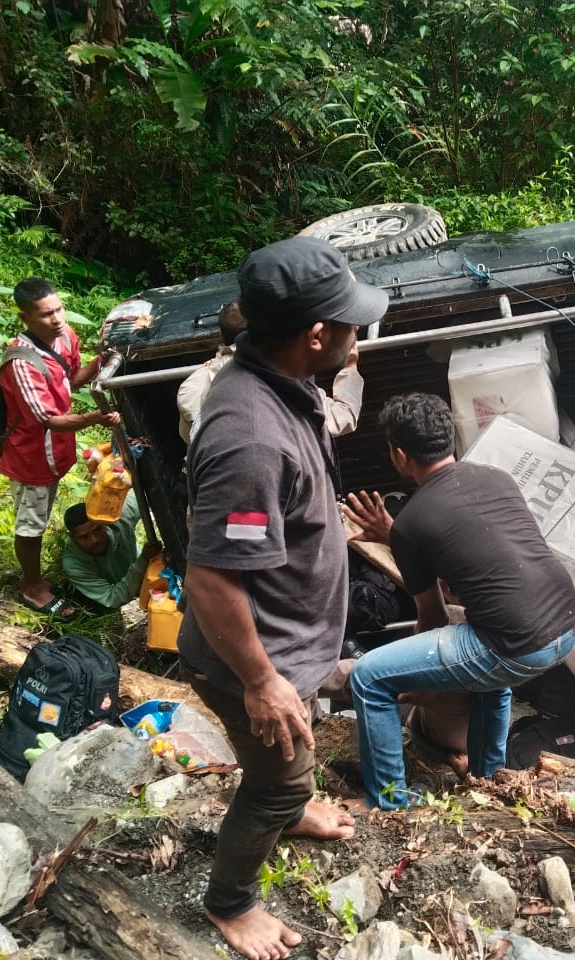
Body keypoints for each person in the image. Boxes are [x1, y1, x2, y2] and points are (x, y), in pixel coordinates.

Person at [177, 236, 387, 960]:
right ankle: (230, 901)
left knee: (282, 779)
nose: (361, 334)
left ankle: (288, 810)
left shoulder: (283, 384)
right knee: (276, 778)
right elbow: (209, 575)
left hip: (284, 640)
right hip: (251, 660)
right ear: (315, 334)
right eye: (351, 324)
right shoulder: (250, 436)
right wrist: (264, 682)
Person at [342, 392, 575, 811]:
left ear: (399, 455)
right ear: (449, 439)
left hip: (516, 642)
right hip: (563, 626)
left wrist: (426, 686)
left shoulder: (411, 521)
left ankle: (391, 801)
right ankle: (489, 779)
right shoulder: (495, 477)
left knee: (369, 677)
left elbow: (431, 616)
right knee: (490, 676)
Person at [0, 277, 119, 619]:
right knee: (31, 524)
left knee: (39, 516)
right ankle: (31, 586)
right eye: (45, 315)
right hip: (31, 457)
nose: (57, 319)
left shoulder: (65, 337)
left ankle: (35, 578)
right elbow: (47, 419)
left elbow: (70, 380)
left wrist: (99, 362)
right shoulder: (21, 363)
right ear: (25, 318)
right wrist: (95, 417)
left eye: (58, 309)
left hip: (56, 451)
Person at [177, 299, 364, 445]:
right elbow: (343, 417)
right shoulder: (282, 379)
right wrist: (350, 367)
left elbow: (191, 437)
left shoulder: (192, 385)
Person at [61, 493, 161, 614]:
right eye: (84, 537)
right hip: (103, 602)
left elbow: (144, 494)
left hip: (144, 574)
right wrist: (143, 560)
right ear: (72, 537)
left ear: (103, 522)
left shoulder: (119, 516)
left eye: (97, 530)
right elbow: (112, 598)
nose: (94, 540)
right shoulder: (73, 564)